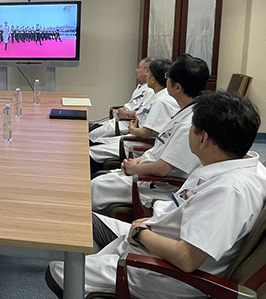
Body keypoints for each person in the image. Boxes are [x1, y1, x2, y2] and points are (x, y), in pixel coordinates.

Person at [30, 91, 266, 299]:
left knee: (59, 273)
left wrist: (141, 234)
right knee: (86, 223)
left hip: (167, 276)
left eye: (192, 128)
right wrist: (149, 225)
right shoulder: (244, 167)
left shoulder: (229, 191)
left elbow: (186, 259)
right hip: (158, 238)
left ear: (203, 138)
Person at [91, 54, 209, 211]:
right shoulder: (184, 113)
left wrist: (134, 168)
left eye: (168, 77)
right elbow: (161, 149)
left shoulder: (189, 125)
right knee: (96, 178)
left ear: (177, 87)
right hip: (146, 170)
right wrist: (137, 162)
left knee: (94, 186)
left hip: (155, 184)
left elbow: (163, 168)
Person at [89, 58, 179, 173]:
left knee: (91, 153)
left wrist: (132, 128)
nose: (146, 75)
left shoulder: (161, 101)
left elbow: (145, 132)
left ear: (152, 79)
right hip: (137, 140)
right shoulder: (159, 97)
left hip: (140, 144)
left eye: (148, 73)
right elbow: (141, 118)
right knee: (95, 143)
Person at [89, 58, 155, 142]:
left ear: (147, 71)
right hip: (122, 120)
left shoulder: (151, 91)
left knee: (91, 137)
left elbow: (143, 114)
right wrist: (123, 110)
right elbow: (134, 104)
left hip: (128, 123)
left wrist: (126, 114)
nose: (136, 70)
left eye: (139, 67)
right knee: (90, 130)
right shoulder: (141, 86)